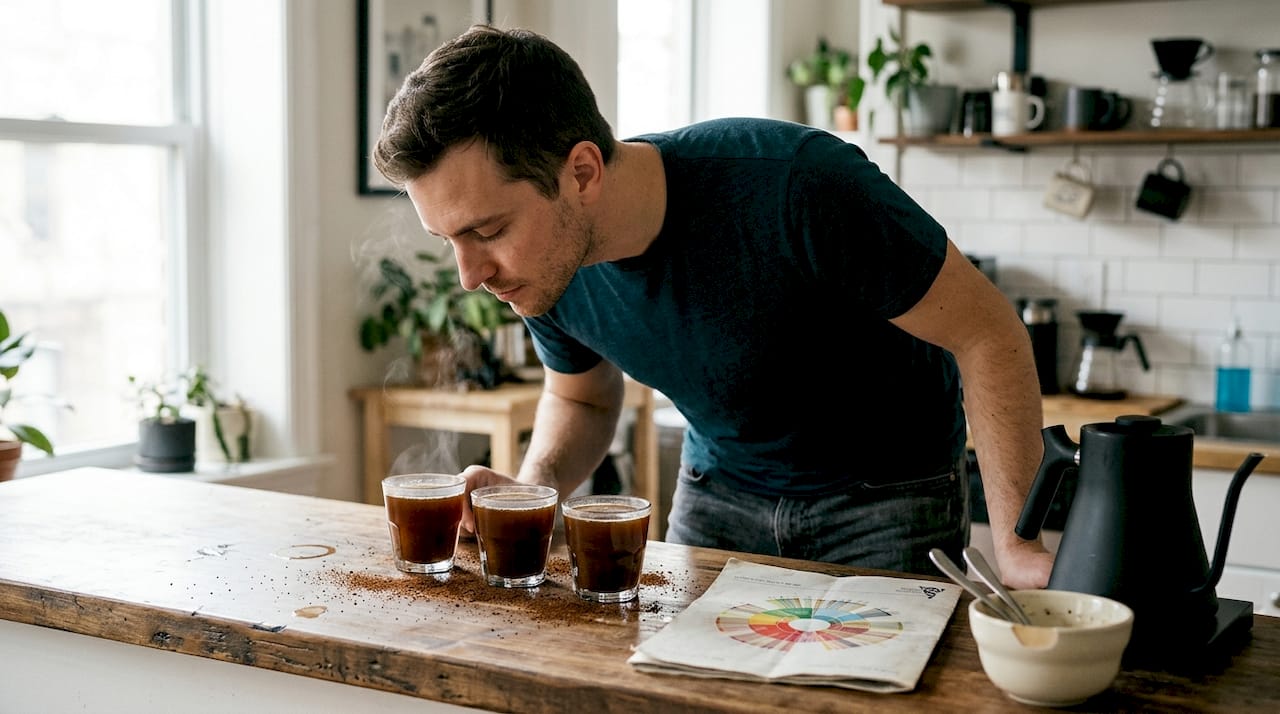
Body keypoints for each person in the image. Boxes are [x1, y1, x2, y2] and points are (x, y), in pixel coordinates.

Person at [373, 25, 1053, 588]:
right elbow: (581, 400)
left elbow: (989, 333)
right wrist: (535, 493)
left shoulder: (795, 187)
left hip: (887, 497)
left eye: (486, 231)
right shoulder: (542, 265)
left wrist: (1019, 551)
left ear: (581, 173)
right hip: (718, 490)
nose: (469, 275)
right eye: (450, 240)